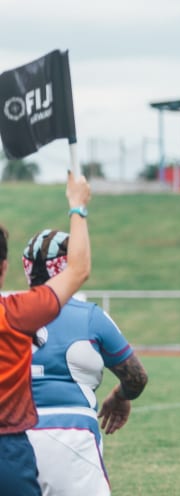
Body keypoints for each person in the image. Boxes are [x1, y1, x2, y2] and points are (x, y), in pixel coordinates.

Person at [24, 227, 149, 496]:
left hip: (12, 434)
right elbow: (136, 378)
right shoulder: (90, 316)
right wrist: (120, 396)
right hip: (72, 434)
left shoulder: (7, 310)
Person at [0, 173, 92, 496]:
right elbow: (78, 270)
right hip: (6, 450)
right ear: (4, 267)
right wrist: (77, 206)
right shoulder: (17, 312)